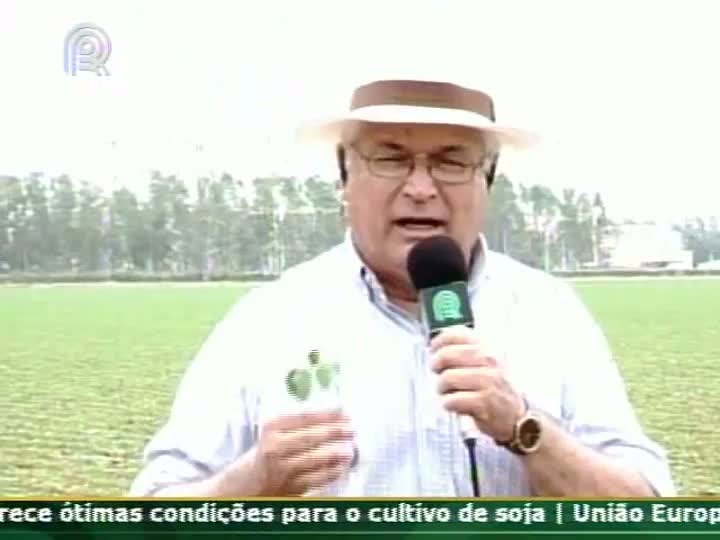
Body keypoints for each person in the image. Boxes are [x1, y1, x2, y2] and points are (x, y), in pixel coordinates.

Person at [130, 78, 675, 497]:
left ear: (486, 182)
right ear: (345, 178)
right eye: (389, 158)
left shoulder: (548, 312)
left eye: (451, 162)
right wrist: (252, 480)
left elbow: (646, 504)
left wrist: (524, 428)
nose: (420, 188)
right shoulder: (270, 319)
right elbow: (151, 508)